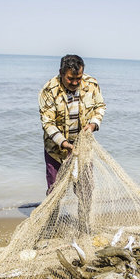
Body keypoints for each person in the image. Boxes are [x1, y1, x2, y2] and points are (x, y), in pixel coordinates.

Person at [38, 54, 106, 192]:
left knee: (85, 190)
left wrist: (93, 124)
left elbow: (100, 107)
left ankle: (85, 215)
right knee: (55, 191)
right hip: (56, 151)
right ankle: (53, 214)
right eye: (70, 78)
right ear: (61, 73)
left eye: (78, 78)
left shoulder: (91, 84)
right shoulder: (48, 90)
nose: (75, 83)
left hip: (83, 147)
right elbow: (48, 124)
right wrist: (65, 144)